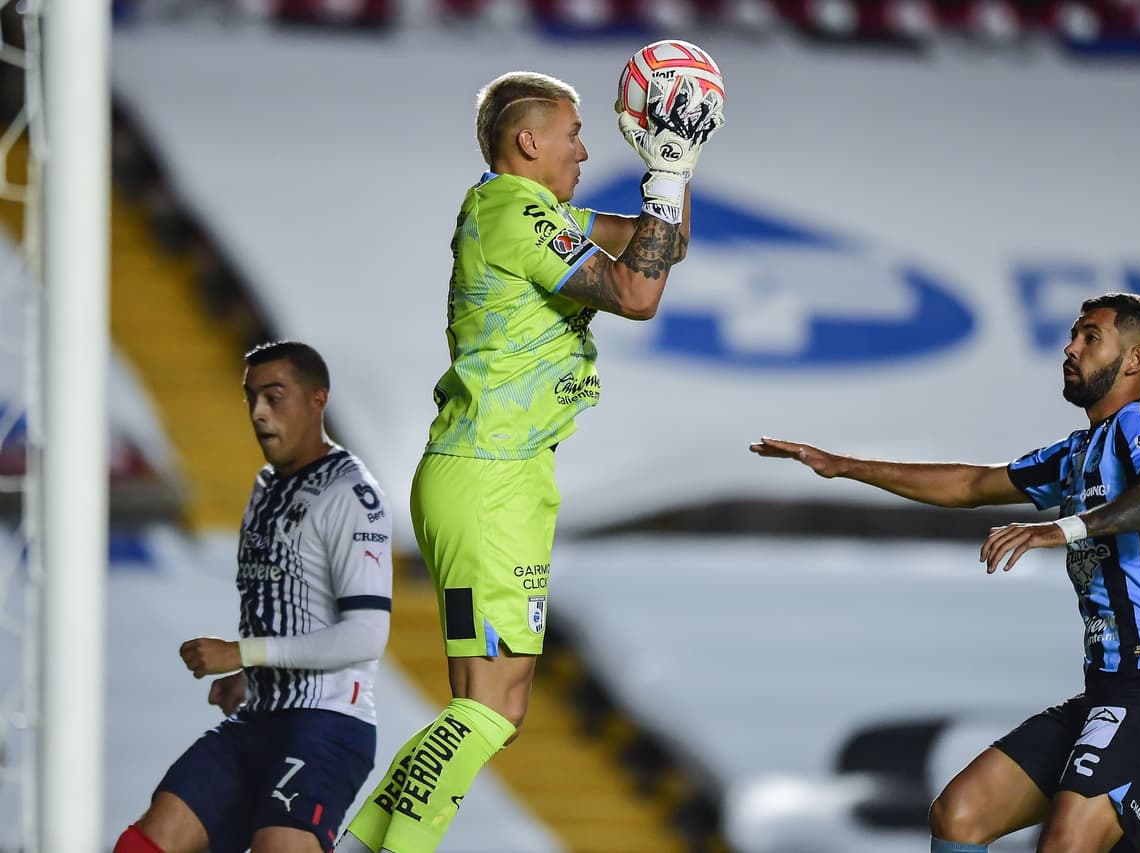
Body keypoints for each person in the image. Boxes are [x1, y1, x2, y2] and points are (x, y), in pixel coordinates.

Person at [333, 69, 723, 853]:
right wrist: (668, 174)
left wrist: (668, 173)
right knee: (486, 705)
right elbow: (636, 293)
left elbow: (665, 246)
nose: (585, 149)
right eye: (574, 134)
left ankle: (365, 842)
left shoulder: (539, 211)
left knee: (498, 709)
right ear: (529, 140)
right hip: (487, 476)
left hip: (504, 477)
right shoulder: (511, 212)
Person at [751, 293, 1140, 853]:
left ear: (1134, 360)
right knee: (959, 814)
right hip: (1108, 690)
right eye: (1073, 335)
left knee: (1065, 845)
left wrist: (1058, 530)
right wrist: (845, 466)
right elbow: (971, 484)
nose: (1071, 348)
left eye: (1091, 337)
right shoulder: (1077, 453)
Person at [113, 341, 394, 853]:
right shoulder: (267, 488)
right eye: (251, 399)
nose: (259, 413)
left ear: (317, 400)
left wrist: (242, 653)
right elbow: (299, 609)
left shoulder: (351, 495)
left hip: (325, 727)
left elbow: (367, 633)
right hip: (260, 718)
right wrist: (254, 676)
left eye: (274, 396)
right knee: (144, 845)